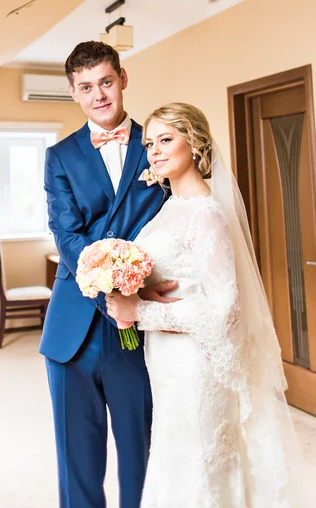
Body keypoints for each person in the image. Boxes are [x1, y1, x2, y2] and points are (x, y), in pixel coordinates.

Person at [106, 102, 309, 507]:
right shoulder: (169, 208)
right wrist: (139, 290)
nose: (155, 151)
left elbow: (224, 310)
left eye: (166, 139)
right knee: (175, 453)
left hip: (197, 362)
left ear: (195, 144)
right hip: (165, 356)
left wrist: (138, 312)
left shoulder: (206, 213)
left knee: (198, 458)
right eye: (149, 143)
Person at [39, 41, 177, 508]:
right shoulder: (59, 157)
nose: (98, 94)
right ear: (73, 93)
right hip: (72, 328)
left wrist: (134, 297)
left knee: (141, 450)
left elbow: (171, 221)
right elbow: (66, 235)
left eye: (105, 82)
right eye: (85, 87)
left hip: (137, 324)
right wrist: (111, 286)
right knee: (76, 458)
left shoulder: (156, 144)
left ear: (122, 79)